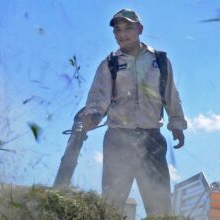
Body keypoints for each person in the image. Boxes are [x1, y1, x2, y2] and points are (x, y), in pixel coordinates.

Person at [81, 9, 188, 217]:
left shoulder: (160, 61)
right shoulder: (109, 64)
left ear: (139, 29)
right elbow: (98, 97)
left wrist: (177, 124)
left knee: (159, 204)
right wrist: (93, 116)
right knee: (111, 203)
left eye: (128, 28)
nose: (122, 34)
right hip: (118, 140)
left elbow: (170, 95)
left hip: (152, 141)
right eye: (117, 30)